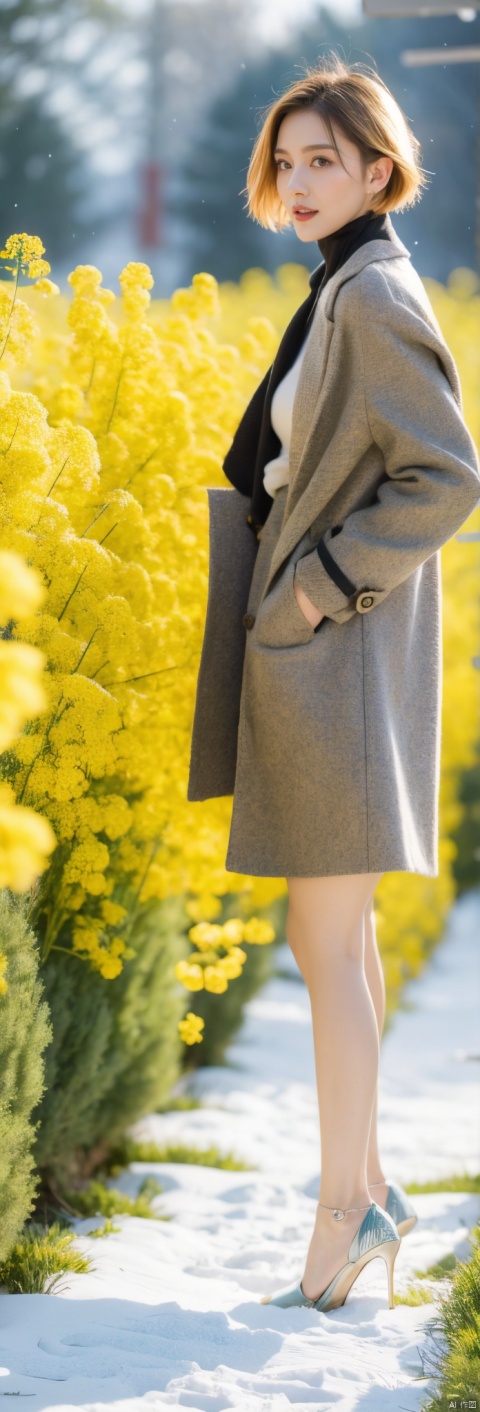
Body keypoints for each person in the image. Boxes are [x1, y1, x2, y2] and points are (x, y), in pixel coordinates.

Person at [188, 55, 480, 1313]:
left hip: (337, 666)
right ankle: (364, 1189)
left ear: (378, 167)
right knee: (337, 938)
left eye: (326, 160)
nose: (302, 181)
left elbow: (448, 475)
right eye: (289, 159)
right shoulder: (344, 283)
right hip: (326, 668)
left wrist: (322, 588)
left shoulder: (373, 294)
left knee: (322, 939)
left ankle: (342, 1207)